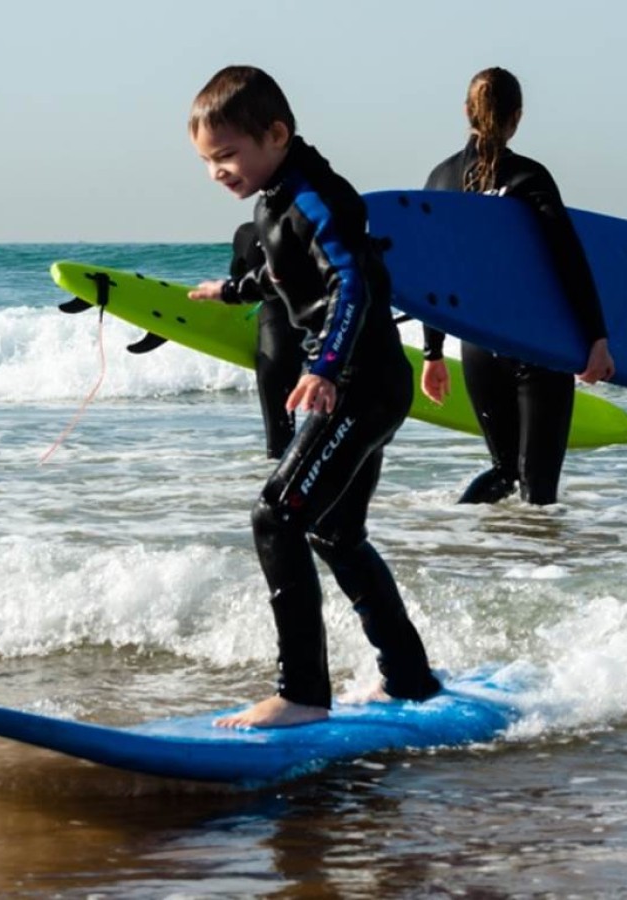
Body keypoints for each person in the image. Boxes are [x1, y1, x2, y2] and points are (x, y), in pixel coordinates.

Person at [187, 65, 441, 728]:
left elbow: (354, 284)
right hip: (367, 383)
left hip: (358, 383)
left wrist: (325, 367)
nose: (217, 170)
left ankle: (301, 693)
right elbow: (288, 278)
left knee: (275, 517)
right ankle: (410, 679)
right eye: (207, 161)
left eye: (226, 155)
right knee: (334, 529)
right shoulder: (276, 197)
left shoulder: (315, 197)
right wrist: (233, 291)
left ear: (276, 133)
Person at [421, 67, 616, 506]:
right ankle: (536, 573)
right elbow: (568, 261)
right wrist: (596, 338)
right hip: (535, 345)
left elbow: (433, 273)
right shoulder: (529, 177)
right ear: (518, 116)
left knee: (505, 471)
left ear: (466, 111)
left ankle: (462, 542)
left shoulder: (439, 180)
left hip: (477, 346)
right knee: (538, 488)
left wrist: (433, 353)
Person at [227, 221, 306, 459]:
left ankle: (277, 470)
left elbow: (237, 283)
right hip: (329, 329)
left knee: (279, 450)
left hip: (276, 335)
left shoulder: (247, 234)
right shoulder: (328, 228)